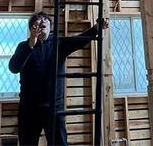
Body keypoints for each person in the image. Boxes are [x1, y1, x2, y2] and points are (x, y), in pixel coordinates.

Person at [9, 11, 108, 146]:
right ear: (32, 27)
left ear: (50, 27)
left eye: (45, 19)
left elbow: (78, 41)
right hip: (28, 108)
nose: (43, 21)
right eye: (39, 20)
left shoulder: (58, 42)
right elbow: (14, 68)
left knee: (59, 143)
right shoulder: (23, 46)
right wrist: (31, 44)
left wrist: (96, 28)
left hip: (54, 107)